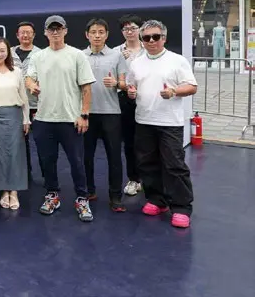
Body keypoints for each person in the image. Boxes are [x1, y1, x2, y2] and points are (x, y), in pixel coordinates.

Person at [25, 15, 96, 222]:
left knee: (77, 162)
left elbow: (86, 87)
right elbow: (29, 77)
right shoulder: (38, 56)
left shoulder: (76, 55)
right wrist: (31, 84)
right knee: (47, 162)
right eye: (51, 29)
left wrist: (84, 114)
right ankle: (52, 195)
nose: (55, 32)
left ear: (65, 31)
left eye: (59, 28)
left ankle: (82, 198)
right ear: (45, 33)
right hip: (44, 119)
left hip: (71, 120)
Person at [127, 20, 197, 229]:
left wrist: (174, 91)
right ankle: (157, 200)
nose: (151, 41)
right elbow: (131, 85)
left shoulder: (177, 60)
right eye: (146, 37)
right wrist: (131, 92)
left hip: (169, 122)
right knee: (147, 163)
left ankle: (181, 207)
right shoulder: (136, 63)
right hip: (144, 120)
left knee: (174, 165)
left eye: (155, 37)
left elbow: (192, 86)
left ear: (164, 38)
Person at [83, 18, 128, 213]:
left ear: (107, 34)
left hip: (111, 113)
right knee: (86, 156)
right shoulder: (79, 56)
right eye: (93, 32)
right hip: (86, 113)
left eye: (101, 32)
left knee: (114, 157)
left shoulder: (117, 56)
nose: (97, 36)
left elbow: (124, 83)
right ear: (87, 35)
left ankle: (115, 197)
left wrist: (117, 84)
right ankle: (89, 190)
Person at [0, 38, 30, 210]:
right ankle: (3, 191)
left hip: (15, 115)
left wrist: (26, 119)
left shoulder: (16, 71)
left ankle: (14, 191)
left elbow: (24, 97)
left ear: (8, 52)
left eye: (2, 50)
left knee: (15, 154)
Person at [114, 14, 145, 196]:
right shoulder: (116, 52)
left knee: (149, 141)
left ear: (140, 29)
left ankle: (151, 177)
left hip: (147, 98)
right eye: (126, 29)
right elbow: (112, 76)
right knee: (130, 141)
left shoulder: (148, 49)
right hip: (125, 99)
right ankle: (134, 178)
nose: (130, 32)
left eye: (133, 28)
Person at [11, 21, 43, 180]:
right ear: (17, 35)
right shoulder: (9, 53)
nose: (25, 35)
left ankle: (46, 176)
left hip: (37, 105)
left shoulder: (41, 54)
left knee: (41, 141)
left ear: (34, 35)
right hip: (16, 105)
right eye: (22, 32)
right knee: (20, 143)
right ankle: (25, 174)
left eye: (28, 32)